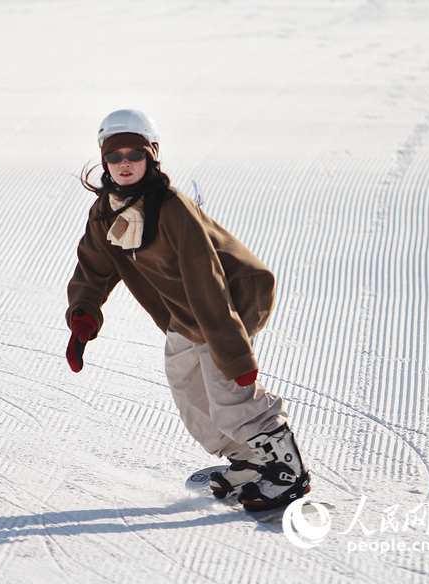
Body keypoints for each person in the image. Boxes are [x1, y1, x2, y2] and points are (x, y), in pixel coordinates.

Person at [64, 109, 310, 511]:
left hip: (230, 301)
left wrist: (234, 353)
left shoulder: (173, 208)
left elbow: (207, 280)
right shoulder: (107, 210)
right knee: (188, 389)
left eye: (134, 154)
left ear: (153, 154)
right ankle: (249, 460)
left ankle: (286, 471)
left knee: (227, 390)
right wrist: (84, 313)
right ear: (104, 160)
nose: (124, 163)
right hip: (183, 309)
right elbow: (95, 266)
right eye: (115, 156)